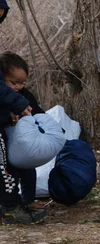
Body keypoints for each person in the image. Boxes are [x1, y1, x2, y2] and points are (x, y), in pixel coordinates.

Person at [0, 52, 47, 224]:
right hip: (6, 145)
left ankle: (28, 200)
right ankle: (10, 206)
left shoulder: (23, 96)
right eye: (14, 83)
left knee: (28, 169)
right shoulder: (4, 96)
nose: (19, 87)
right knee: (8, 174)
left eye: (22, 82)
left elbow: (36, 111)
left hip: (22, 145)